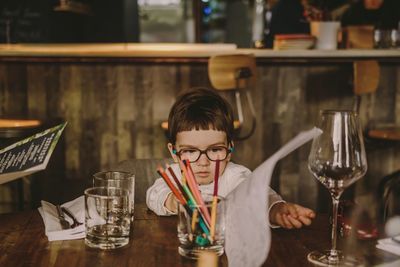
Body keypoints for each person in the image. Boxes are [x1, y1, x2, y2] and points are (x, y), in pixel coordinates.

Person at [146, 88, 315, 229]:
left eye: (215, 149)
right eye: (190, 151)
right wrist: (172, 201)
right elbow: (153, 194)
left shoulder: (235, 176)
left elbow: (260, 196)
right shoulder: (174, 175)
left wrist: (275, 210)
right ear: (174, 153)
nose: (203, 162)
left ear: (229, 149)